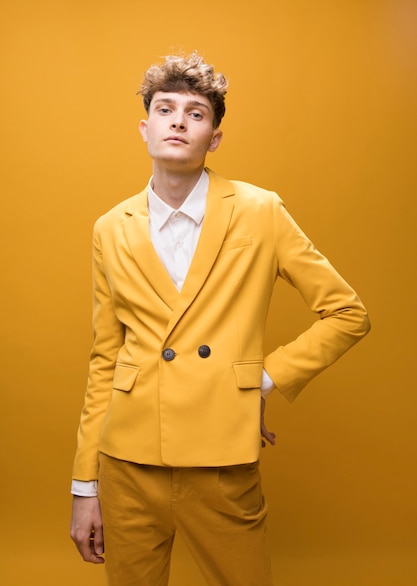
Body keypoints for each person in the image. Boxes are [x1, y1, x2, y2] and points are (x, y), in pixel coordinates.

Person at [70, 52, 370, 586]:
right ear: (145, 129)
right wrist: (84, 486)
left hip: (220, 460)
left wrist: (262, 378)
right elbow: (104, 360)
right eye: (165, 110)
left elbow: (347, 313)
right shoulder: (110, 227)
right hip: (127, 461)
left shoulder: (260, 210)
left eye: (196, 112)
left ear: (214, 136)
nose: (179, 121)